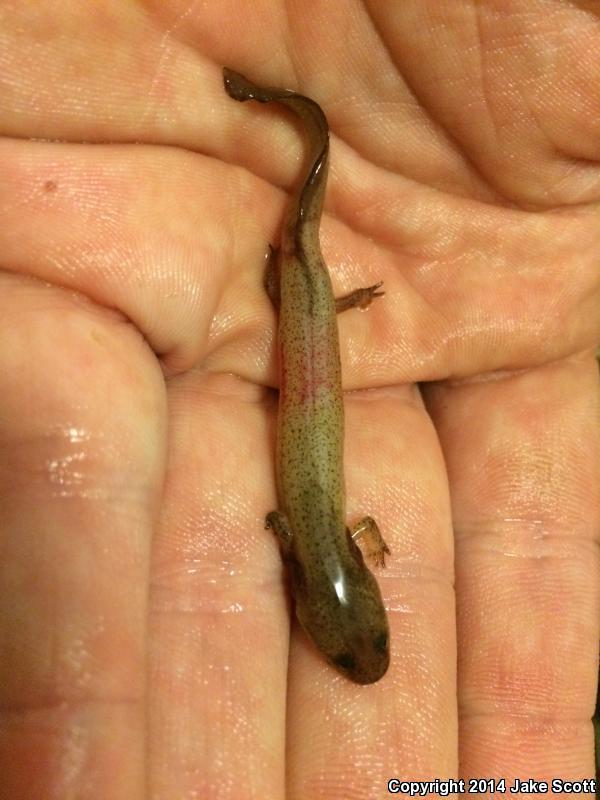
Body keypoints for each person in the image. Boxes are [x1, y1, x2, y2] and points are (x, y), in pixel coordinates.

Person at [0, 2, 598, 795]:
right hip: (311, 347)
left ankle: (283, 129)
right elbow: (279, 521)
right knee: (303, 263)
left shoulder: (340, 542)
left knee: (304, 266)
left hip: (316, 348)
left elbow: (299, 522)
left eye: (348, 646)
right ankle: (279, 122)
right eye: (366, 639)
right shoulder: (298, 546)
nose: (358, 650)